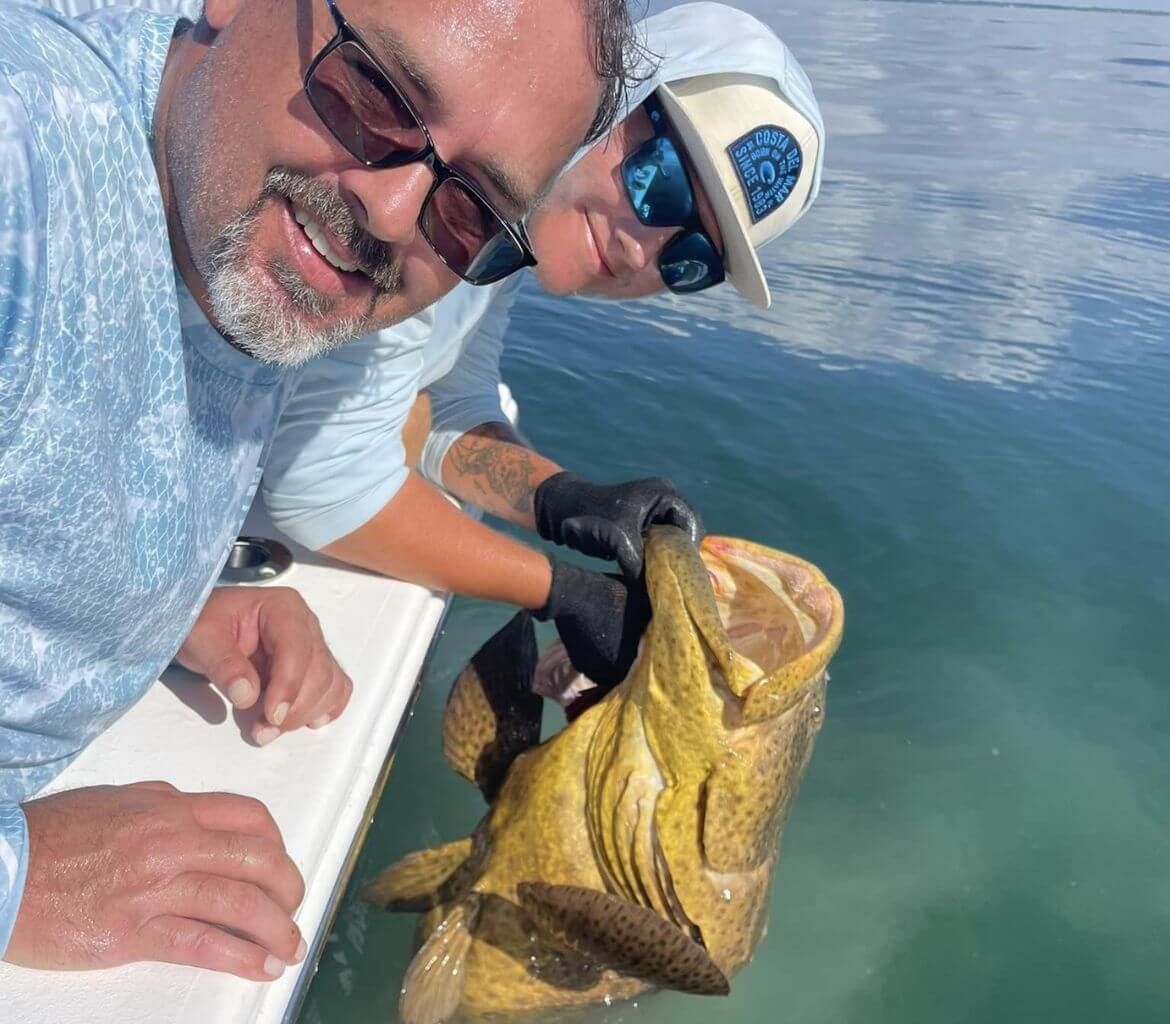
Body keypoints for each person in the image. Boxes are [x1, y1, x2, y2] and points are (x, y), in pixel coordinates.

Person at [0, 0, 638, 981]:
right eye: (374, 91)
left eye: (470, 208)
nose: (391, 211)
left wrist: (155, 609)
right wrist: (22, 879)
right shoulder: (25, 154)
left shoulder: (245, 216)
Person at [261, 2, 825, 692]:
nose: (639, 249)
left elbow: (448, 407)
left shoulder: (506, 242)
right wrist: (561, 590)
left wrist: (569, 499)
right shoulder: (429, 210)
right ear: (606, 87)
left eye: (692, 256)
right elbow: (321, 486)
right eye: (662, 181)